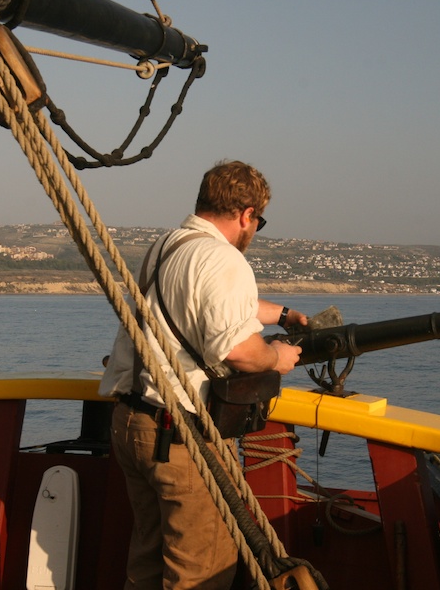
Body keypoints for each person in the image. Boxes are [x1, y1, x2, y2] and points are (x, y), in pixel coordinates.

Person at [99, 160, 308, 589]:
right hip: (181, 439)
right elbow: (240, 352)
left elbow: (208, 304)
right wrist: (277, 357)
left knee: (147, 562)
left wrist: (281, 315)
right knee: (201, 570)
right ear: (247, 214)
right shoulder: (224, 259)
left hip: (132, 424)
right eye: (258, 221)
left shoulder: (168, 246)